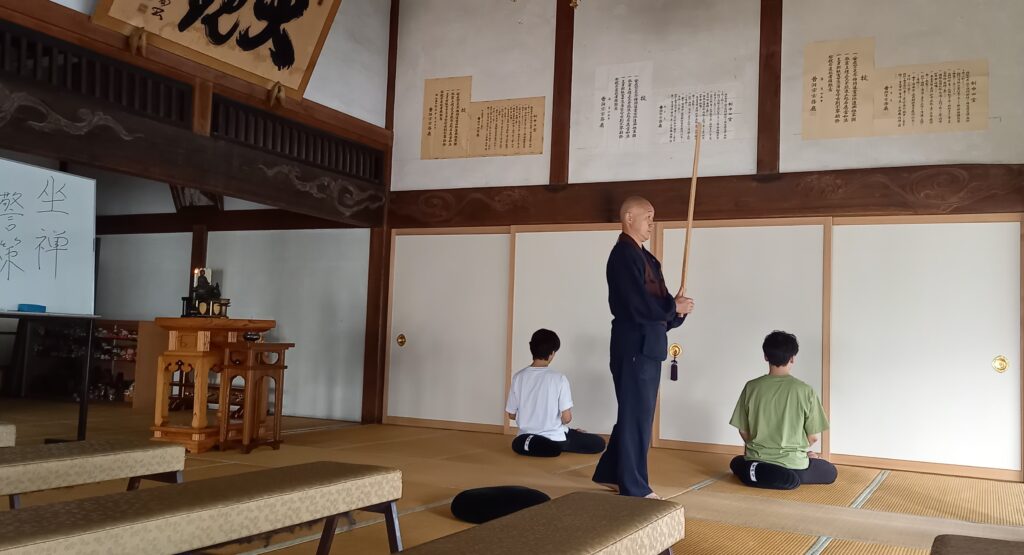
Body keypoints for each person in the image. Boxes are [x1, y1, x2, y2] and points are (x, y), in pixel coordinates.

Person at [592, 197, 694, 498]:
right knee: (637, 415)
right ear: (628, 218)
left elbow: (657, 308)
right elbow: (635, 305)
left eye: (653, 217)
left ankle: (610, 472)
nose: (652, 223)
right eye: (647, 217)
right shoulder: (623, 255)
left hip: (648, 344)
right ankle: (634, 486)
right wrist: (670, 307)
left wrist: (676, 312)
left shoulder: (646, 258)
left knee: (634, 413)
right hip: (633, 344)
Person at [728, 331, 837, 490]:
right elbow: (813, 438)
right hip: (793, 462)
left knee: (737, 462)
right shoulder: (805, 390)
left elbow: (743, 431)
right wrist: (805, 453)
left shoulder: (751, 387)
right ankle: (786, 474)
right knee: (830, 472)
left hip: (757, 458)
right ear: (792, 358)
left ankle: (759, 472)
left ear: (766, 356)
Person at [506, 329, 606, 457]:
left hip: (524, 435)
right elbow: (567, 418)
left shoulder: (518, 377)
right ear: (552, 353)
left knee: (528, 441)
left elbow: (511, 415)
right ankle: (550, 445)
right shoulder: (559, 378)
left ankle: (532, 444)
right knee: (599, 443)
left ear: (532, 349)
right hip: (555, 437)